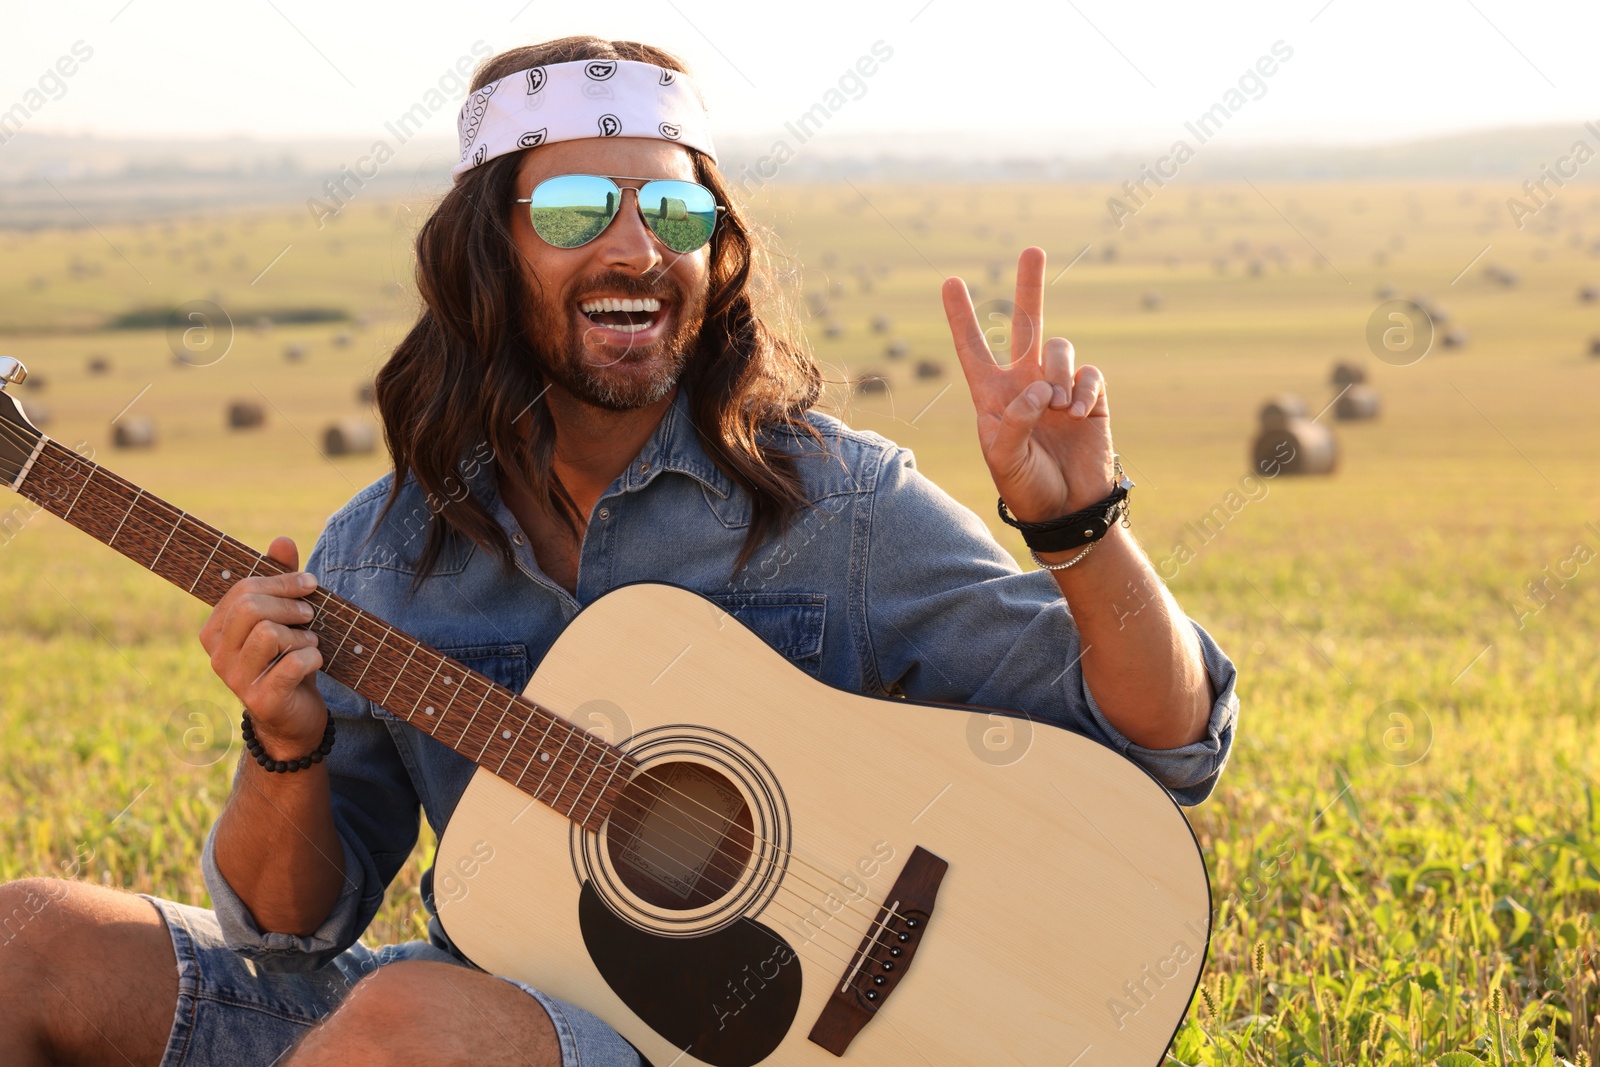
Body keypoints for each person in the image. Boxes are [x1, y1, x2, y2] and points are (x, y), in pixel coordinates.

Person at [0, 34, 1238, 1067]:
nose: (638, 244)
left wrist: (1082, 531)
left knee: (401, 1026)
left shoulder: (836, 500)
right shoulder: (378, 552)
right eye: (582, 208)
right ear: (489, 247)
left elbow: (1164, 744)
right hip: (492, 1002)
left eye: (678, 208)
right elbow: (285, 933)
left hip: (740, 1036)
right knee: (29, 937)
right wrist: (284, 744)